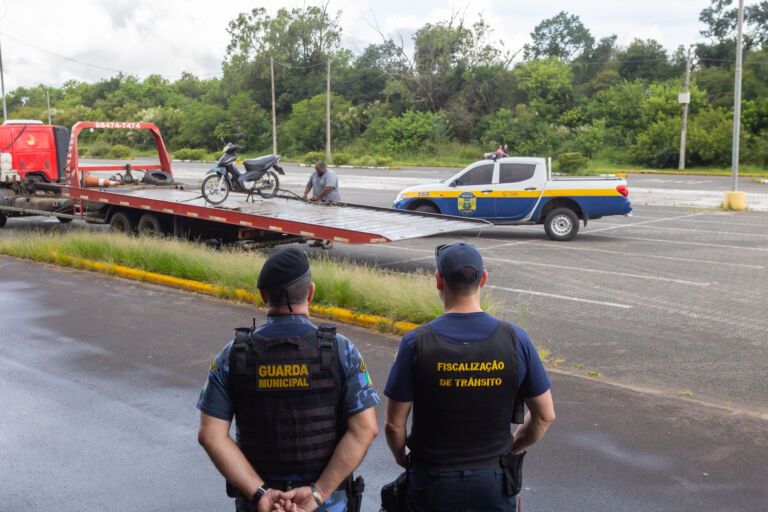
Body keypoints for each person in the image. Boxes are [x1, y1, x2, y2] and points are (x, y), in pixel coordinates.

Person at [197, 247, 380, 512]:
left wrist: (260, 494)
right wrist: (318, 493)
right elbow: (366, 428)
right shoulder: (342, 350)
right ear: (311, 292)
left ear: (263, 296)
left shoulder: (233, 355)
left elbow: (210, 435)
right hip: (327, 505)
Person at [384, 241, 555, 512]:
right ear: (484, 279)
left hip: (432, 480)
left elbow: (394, 425)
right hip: (494, 481)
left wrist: (402, 457)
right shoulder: (515, 339)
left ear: (439, 281)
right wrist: (512, 447)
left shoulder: (416, 343)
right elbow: (545, 415)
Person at [303, 160, 340, 248]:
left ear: (324, 168)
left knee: (329, 222)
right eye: (316, 169)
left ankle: (330, 242)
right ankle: (318, 240)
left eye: (319, 170)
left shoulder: (331, 175)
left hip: (330, 202)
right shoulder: (315, 174)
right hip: (319, 202)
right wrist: (305, 193)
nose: (317, 171)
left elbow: (328, 188)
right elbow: (309, 184)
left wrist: (317, 197)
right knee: (318, 221)